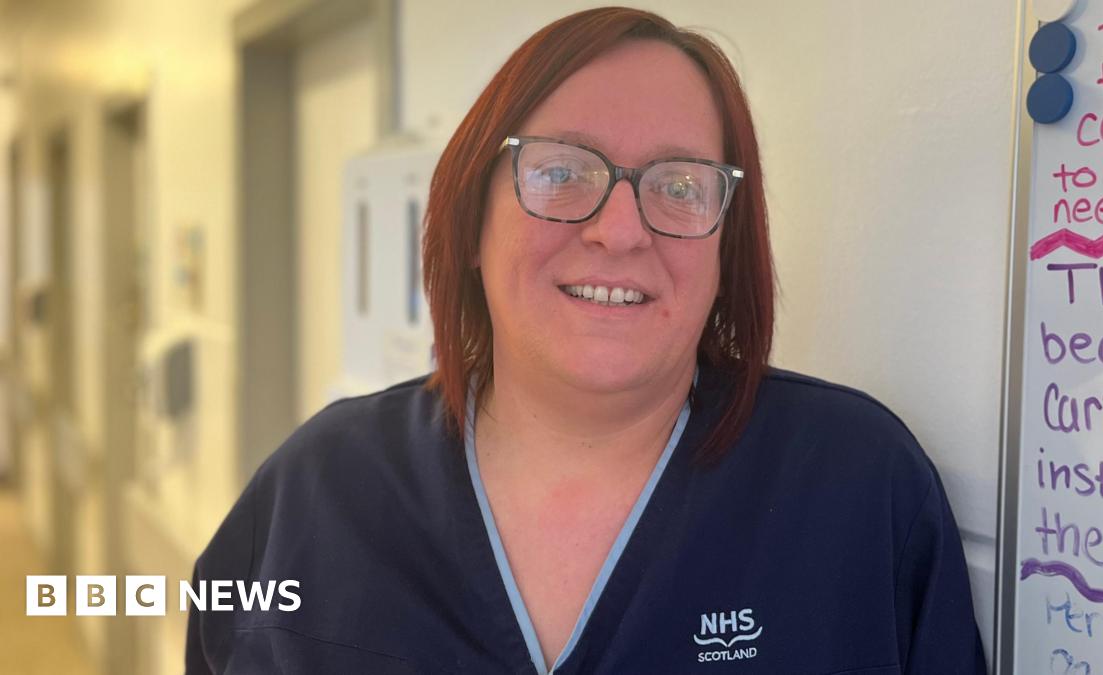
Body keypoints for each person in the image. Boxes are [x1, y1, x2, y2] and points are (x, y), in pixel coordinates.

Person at [186, 7, 987, 674]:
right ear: (472, 223)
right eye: (562, 171)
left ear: (724, 245)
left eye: (679, 186)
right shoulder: (316, 492)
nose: (619, 230)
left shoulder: (858, 491)